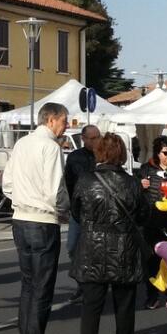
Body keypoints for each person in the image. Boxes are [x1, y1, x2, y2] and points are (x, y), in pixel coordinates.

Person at [71, 134, 148, 334]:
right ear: (121, 154)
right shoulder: (132, 183)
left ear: (100, 153)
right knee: (124, 309)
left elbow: (75, 212)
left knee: (91, 310)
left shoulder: (85, 181)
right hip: (123, 249)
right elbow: (143, 215)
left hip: (92, 249)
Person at [3, 101, 70, 334]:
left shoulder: (21, 144)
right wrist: (62, 212)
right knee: (42, 289)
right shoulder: (50, 147)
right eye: (64, 121)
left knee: (28, 286)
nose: (65, 126)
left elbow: (7, 182)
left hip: (20, 218)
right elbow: (56, 188)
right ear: (51, 120)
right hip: (43, 221)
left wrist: (21, 199)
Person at [136, 136, 167, 309]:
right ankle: (152, 295)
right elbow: (134, 191)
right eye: (165, 153)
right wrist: (140, 185)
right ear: (157, 153)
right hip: (151, 220)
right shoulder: (146, 169)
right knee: (151, 260)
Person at [64, 125, 101, 302]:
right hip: (78, 211)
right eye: (91, 138)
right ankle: (81, 281)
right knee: (72, 247)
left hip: (100, 212)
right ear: (83, 139)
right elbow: (74, 181)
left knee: (95, 250)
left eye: (97, 137)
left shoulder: (105, 155)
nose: (95, 141)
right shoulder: (75, 157)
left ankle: (92, 285)